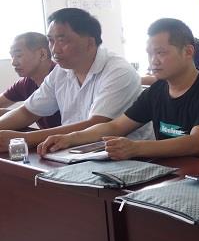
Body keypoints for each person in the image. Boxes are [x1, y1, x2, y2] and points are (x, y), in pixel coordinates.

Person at [38, 19, 199, 159]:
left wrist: (136, 148)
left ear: (188, 52)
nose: (153, 61)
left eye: (161, 53)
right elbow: (116, 127)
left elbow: (195, 144)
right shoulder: (157, 90)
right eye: (149, 54)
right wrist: (70, 138)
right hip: (170, 173)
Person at [0, 8, 148, 152]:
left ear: (89, 42)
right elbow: (27, 111)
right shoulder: (60, 71)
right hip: (72, 152)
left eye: (62, 40)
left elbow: (96, 124)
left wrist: (25, 138)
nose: (55, 49)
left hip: (126, 157)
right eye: (51, 41)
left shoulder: (118, 71)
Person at [0, 32, 60, 129]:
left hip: (68, 137)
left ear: (42, 54)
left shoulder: (61, 78)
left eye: (18, 55)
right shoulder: (26, 83)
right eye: (12, 56)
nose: (13, 63)